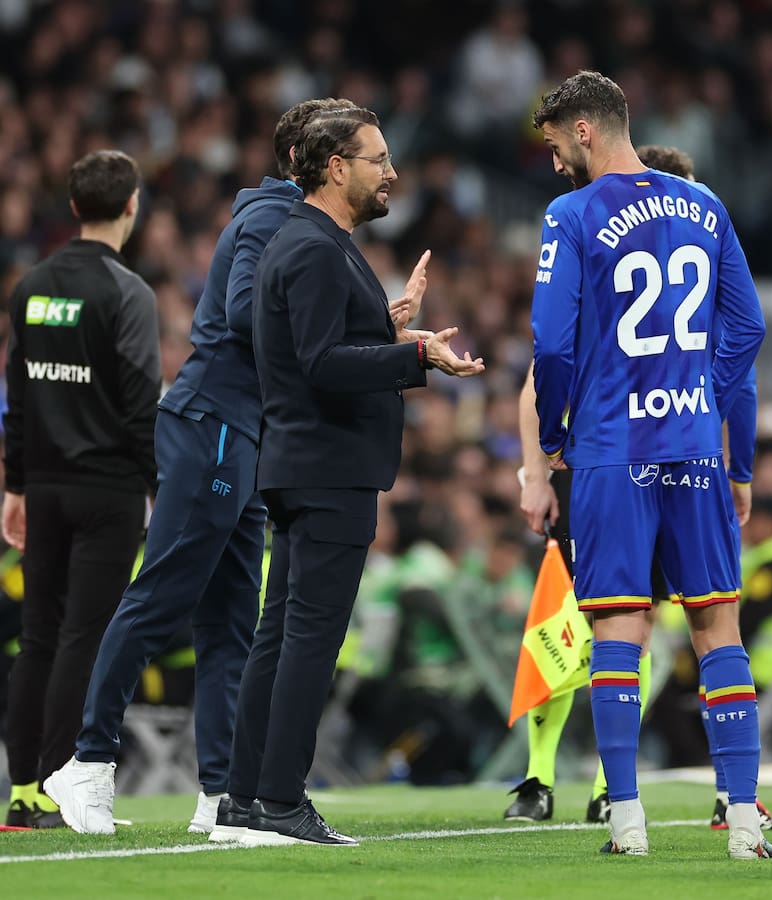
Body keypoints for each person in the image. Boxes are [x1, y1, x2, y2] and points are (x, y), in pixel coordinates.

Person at [44, 99, 395, 837]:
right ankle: (89, 760)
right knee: (162, 594)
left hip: (249, 432)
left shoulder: (285, 222)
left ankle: (222, 789)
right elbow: (243, 314)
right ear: (317, 161)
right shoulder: (273, 222)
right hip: (214, 421)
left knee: (234, 620)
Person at [219, 105, 484, 847]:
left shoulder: (309, 243)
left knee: (280, 635)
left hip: (304, 464)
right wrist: (414, 356)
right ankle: (280, 800)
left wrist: (392, 330)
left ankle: (244, 800)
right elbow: (322, 364)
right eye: (377, 159)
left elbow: (325, 345)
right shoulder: (312, 246)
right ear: (336, 168)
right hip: (326, 465)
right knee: (309, 637)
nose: (390, 173)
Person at [505, 143, 772, 834]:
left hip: (609, 456)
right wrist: (732, 457)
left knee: (614, 629)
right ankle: (740, 809)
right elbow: (745, 356)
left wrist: (545, 458)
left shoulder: (580, 221)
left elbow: (546, 364)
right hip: (693, 455)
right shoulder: (705, 218)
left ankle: (622, 813)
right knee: (716, 629)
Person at [4, 150, 159, 829]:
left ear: (73, 207)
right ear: (131, 207)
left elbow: (18, 395)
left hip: (43, 483)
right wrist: (157, 487)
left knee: (37, 636)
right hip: (109, 489)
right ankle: (60, 786)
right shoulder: (128, 293)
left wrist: (13, 486)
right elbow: (139, 404)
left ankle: (22, 790)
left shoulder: (31, 285)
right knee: (82, 637)